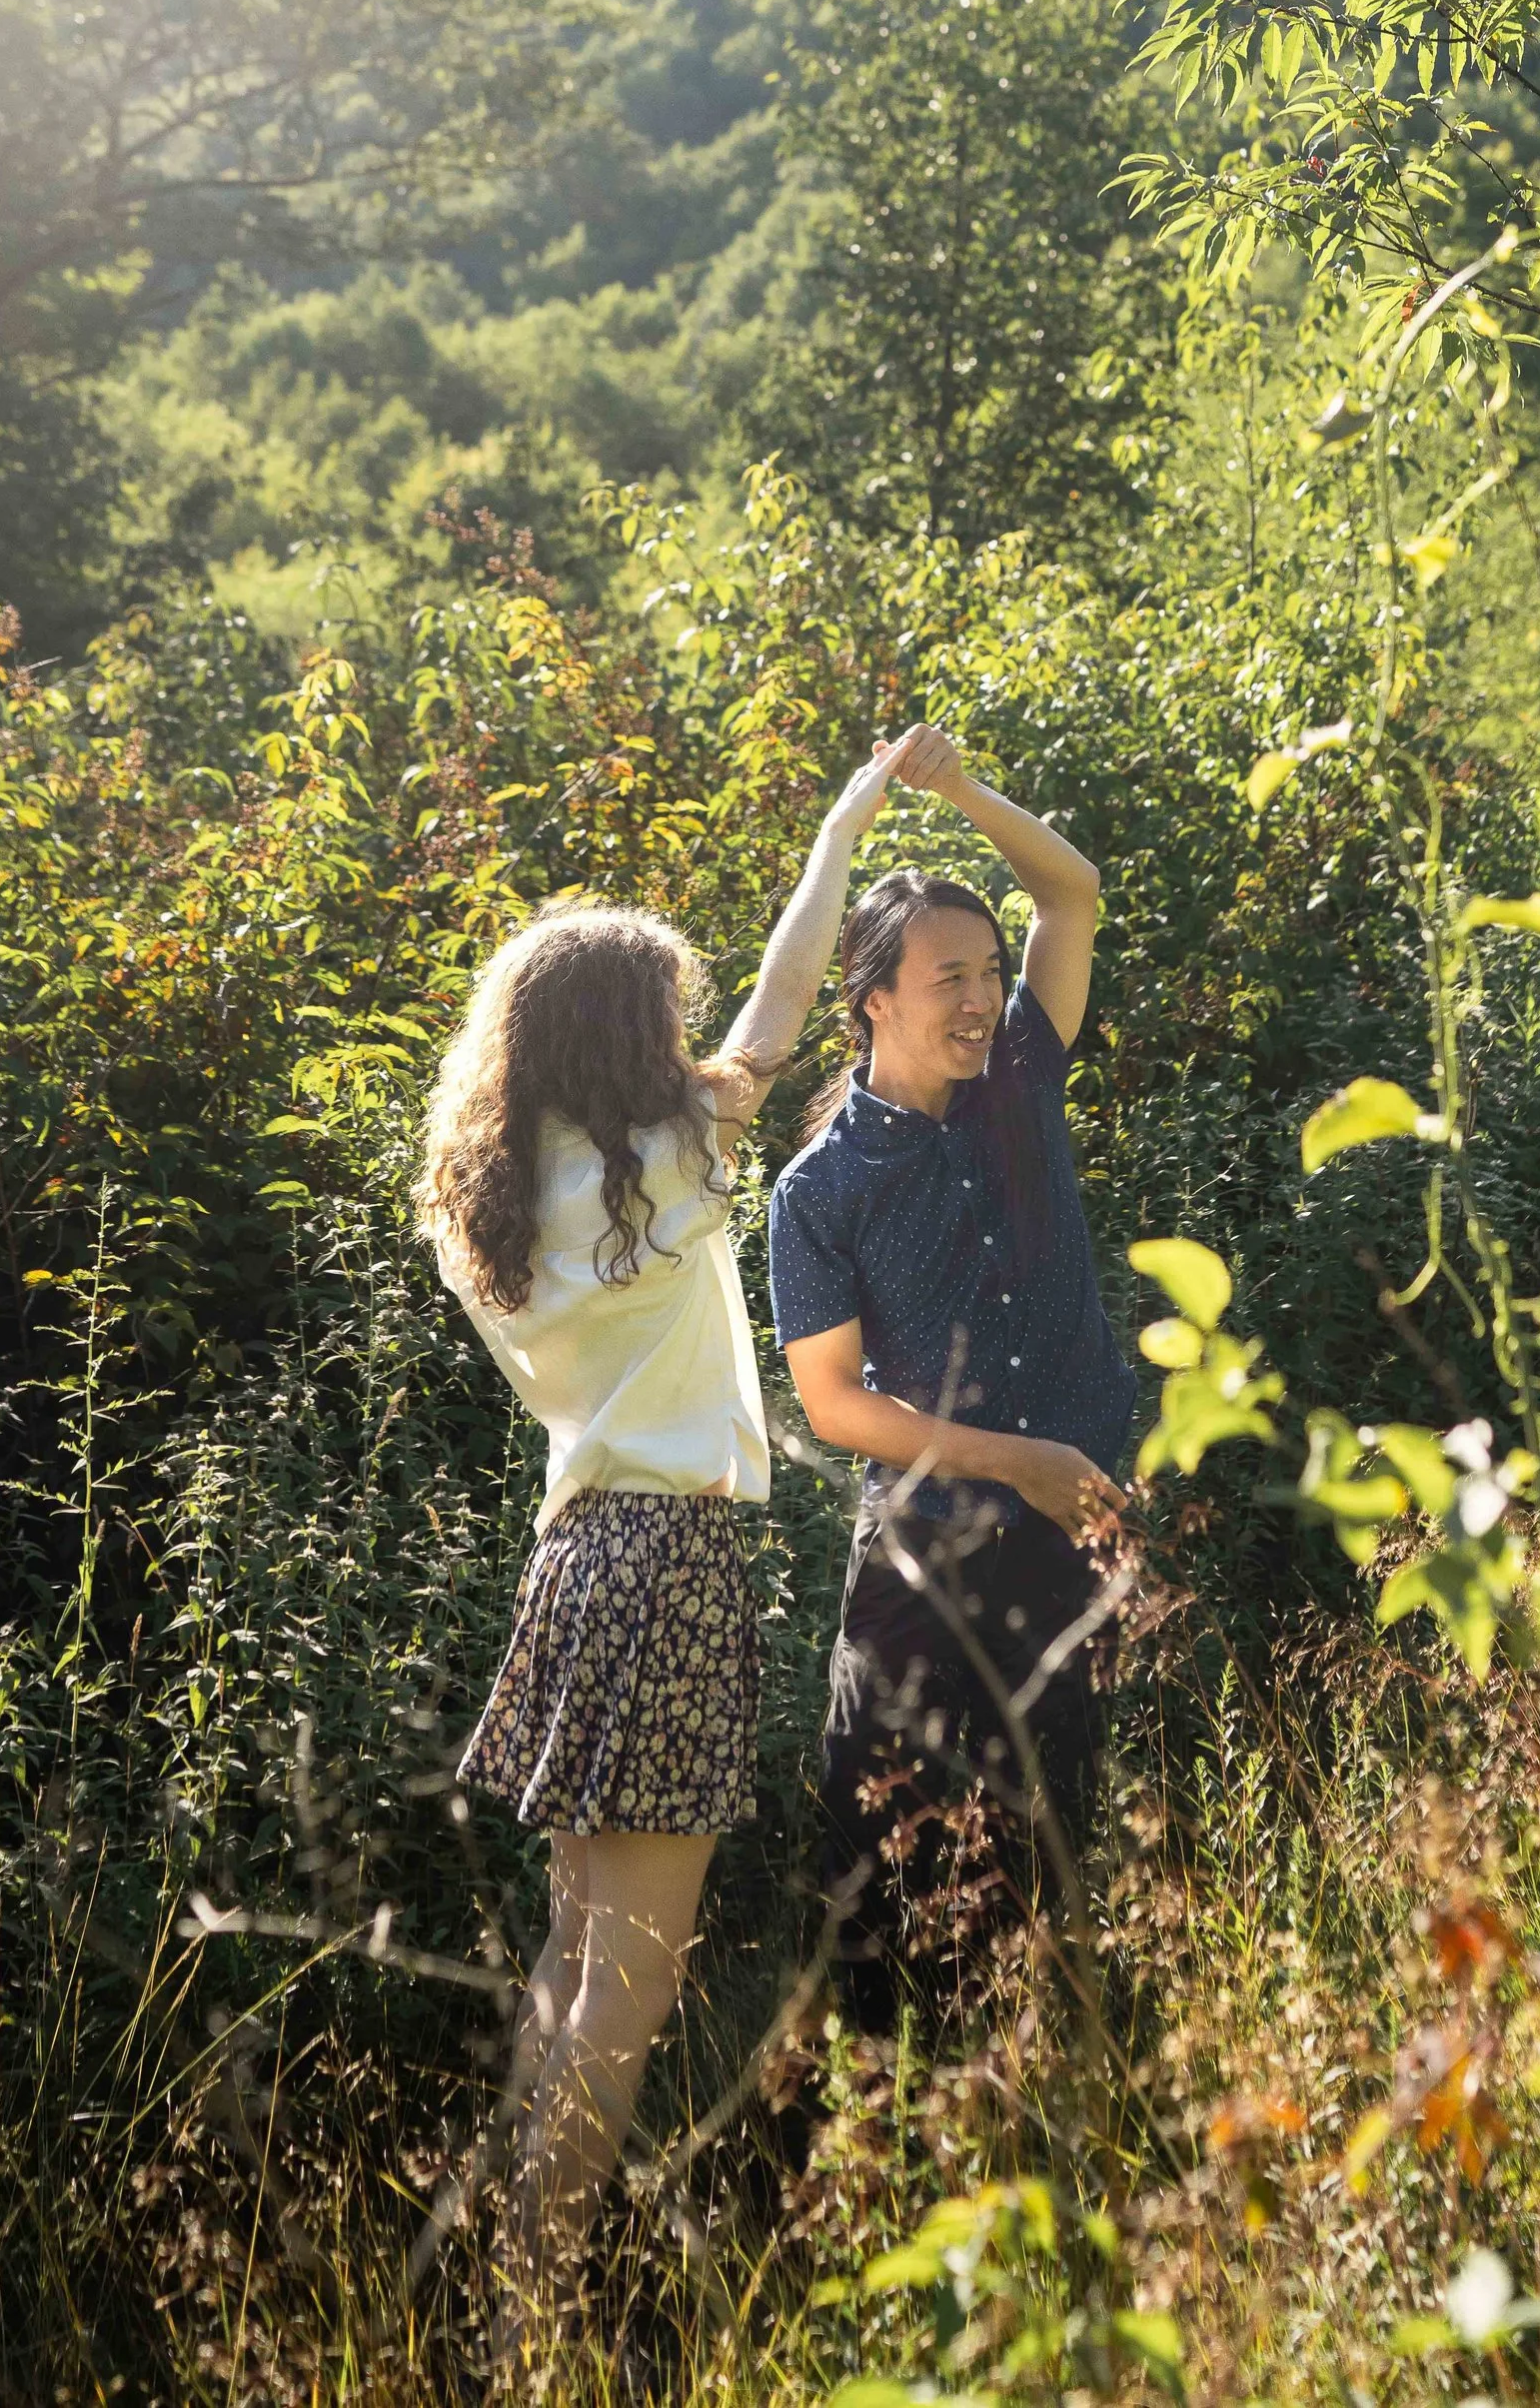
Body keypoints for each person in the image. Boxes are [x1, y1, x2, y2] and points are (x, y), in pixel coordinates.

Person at [415, 739, 908, 2312]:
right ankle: (530, 2319)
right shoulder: (661, 1167)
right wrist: (843, 823)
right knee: (623, 1990)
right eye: (665, 1020)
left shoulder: (490, 1204)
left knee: (573, 1967)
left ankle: (505, 2290)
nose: (691, 1040)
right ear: (629, 1038)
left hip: (572, 1564)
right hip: (670, 1564)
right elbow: (779, 1010)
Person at [768, 723, 1136, 2019]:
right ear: (873, 997)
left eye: (987, 972)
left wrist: (963, 785)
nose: (980, 997)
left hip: (1079, 1534)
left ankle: (1048, 2115)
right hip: (929, 1569)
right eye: (948, 979)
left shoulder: (1024, 1068)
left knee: (1060, 1849)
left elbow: (1071, 891)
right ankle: (872, 2144)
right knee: (894, 1885)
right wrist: (1012, 1462)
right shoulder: (819, 1192)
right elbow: (833, 1406)